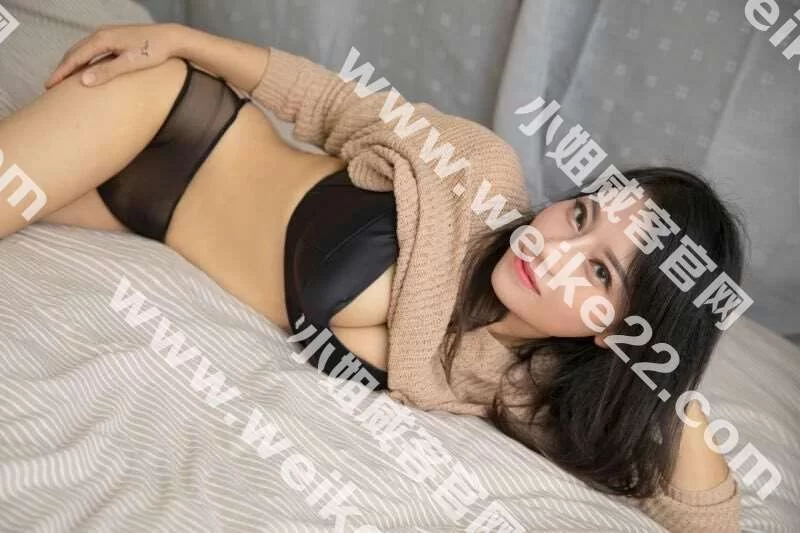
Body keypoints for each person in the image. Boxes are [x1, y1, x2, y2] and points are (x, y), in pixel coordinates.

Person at [0, 22, 742, 531]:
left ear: (617, 331)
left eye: (600, 270)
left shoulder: (517, 390)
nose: (554, 249)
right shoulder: (476, 172)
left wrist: (670, 381)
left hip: (132, 213)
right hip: (167, 120)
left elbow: (705, 516)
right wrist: (181, 40)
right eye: (580, 215)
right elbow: (329, 102)